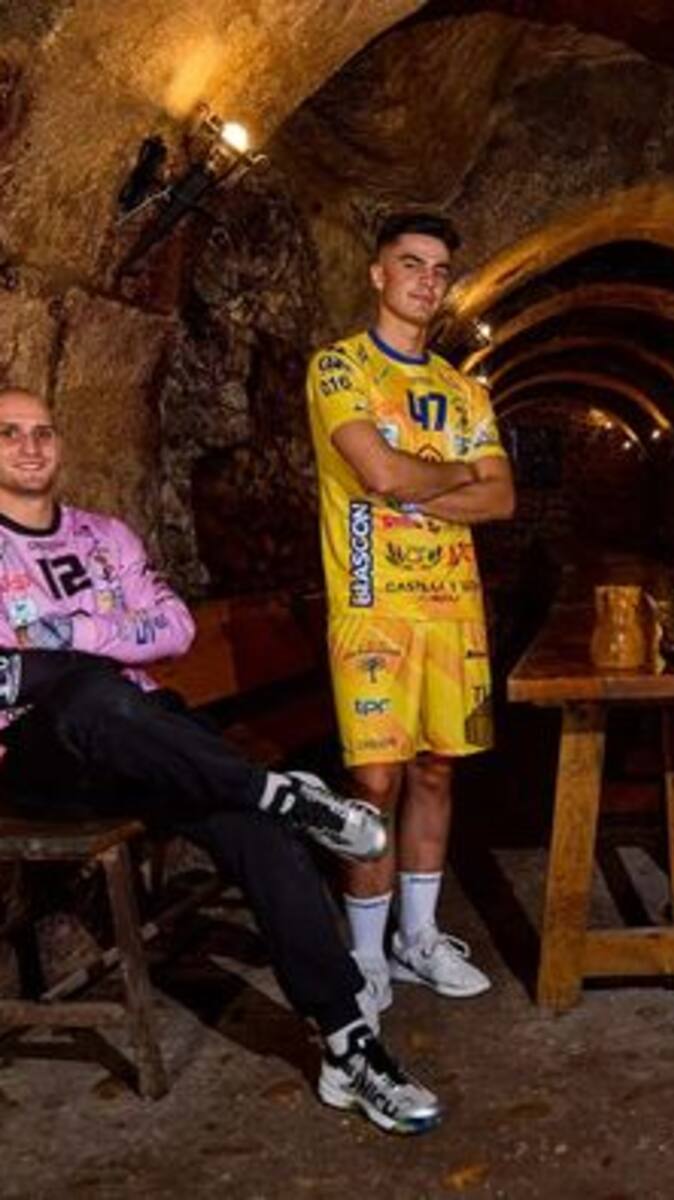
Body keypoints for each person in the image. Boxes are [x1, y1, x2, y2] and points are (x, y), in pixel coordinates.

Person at [0, 386, 439, 1135]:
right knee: (88, 695)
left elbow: (173, 629)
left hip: (143, 740)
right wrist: (94, 646)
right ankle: (282, 791)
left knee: (252, 823)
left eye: (42, 431)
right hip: (40, 761)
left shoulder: (105, 537)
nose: (31, 446)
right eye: (9, 433)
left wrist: (62, 637)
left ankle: (347, 1044)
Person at [305, 212, 514, 1016]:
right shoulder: (340, 369)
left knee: (436, 769)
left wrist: (420, 479)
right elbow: (379, 473)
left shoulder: (465, 390)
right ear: (378, 274)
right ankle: (364, 954)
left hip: (452, 608)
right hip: (373, 604)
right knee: (374, 779)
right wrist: (454, 474)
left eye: (438, 269)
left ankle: (417, 938)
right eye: (411, 263)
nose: (427, 280)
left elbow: (501, 499)